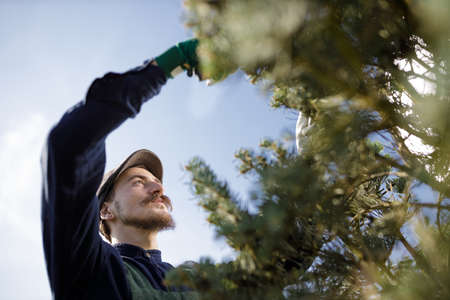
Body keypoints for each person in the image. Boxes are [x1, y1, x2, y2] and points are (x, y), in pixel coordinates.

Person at [41, 39, 204, 299]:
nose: (158, 187)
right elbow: (68, 147)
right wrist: (168, 64)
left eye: (155, 180)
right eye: (138, 181)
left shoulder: (197, 280)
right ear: (105, 210)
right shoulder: (92, 269)